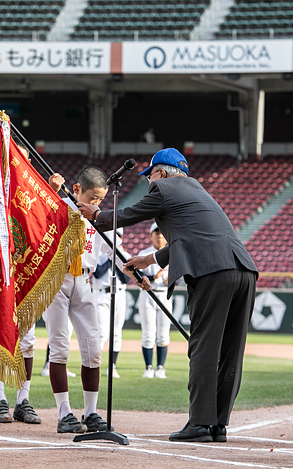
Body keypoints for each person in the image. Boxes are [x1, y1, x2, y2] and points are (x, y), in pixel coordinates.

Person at [77, 148, 258, 443]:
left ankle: (200, 423)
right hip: (244, 269)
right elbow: (194, 236)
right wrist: (150, 260)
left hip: (213, 272)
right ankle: (217, 425)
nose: (149, 182)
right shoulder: (196, 189)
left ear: (160, 172)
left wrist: (98, 214)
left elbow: (128, 215)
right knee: (231, 352)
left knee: (203, 347)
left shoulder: (163, 187)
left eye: (150, 176)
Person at [0, 141, 63, 425]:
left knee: (28, 340)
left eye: (25, 159)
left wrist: (52, 193)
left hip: (25, 269)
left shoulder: (36, 191)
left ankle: (23, 400)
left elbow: (45, 224)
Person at [43, 166, 112, 434]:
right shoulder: (57, 203)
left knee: (93, 347)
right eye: (92, 198)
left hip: (85, 281)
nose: (96, 204)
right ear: (76, 189)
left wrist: (133, 268)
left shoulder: (97, 217)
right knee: (59, 347)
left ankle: (92, 412)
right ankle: (64, 413)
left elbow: (112, 247)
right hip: (56, 279)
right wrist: (52, 191)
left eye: (100, 200)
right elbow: (40, 217)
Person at [93, 227, 130, 379]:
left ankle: (112, 366)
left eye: (118, 236)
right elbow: (97, 273)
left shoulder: (125, 255)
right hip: (101, 293)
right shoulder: (99, 254)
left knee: (116, 333)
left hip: (119, 293)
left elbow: (126, 278)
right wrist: (111, 256)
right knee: (102, 332)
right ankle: (95, 365)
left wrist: (118, 257)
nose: (116, 239)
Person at [137, 222, 171, 379]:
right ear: (151, 236)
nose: (159, 236)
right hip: (148, 294)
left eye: (162, 233)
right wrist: (152, 277)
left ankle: (160, 368)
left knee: (163, 334)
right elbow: (137, 277)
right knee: (148, 333)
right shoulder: (144, 254)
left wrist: (171, 280)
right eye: (156, 233)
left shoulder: (171, 253)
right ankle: (148, 367)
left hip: (165, 294)